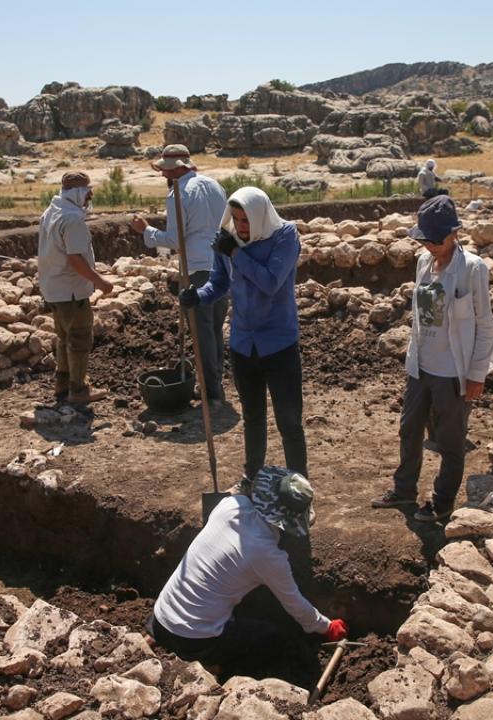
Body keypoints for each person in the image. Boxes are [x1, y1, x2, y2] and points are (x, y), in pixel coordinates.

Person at [147, 467, 347, 678]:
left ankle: (159, 638)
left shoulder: (231, 505)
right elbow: (295, 604)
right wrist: (327, 627)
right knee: (272, 638)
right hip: (194, 640)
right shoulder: (268, 555)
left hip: (159, 618)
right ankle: (213, 665)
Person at [371, 196, 493, 523]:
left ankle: (441, 504)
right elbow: (420, 316)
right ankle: (404, 490)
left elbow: (485, 325)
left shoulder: (472, 269)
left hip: (452, 372)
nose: (430, 246)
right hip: (421, 366)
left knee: (450, 442)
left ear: (454, 234)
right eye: (425, 239)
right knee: (409, 429)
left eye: (435, 240)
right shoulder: (423, 263)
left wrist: (477, 374)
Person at [181, 188, 306, 481]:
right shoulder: (227, 239)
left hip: (278, 345)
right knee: (252, 417)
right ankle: (252, 477)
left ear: (260, 215)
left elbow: (270, 282)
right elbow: (218, 283)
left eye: (246, 220)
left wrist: (236, 253)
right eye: (236, 219)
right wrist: (197, 297)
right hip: (243, 345)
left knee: (289, 423)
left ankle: (299, 487)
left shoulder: (284, 237)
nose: (241, 227)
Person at [129, 146, 230, 406]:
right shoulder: (215, 186)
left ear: (175, 168)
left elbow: (175, 240)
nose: (163, 173)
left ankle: (210, 391)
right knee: (215, 329)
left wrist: (146, 230)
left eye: (164, 169)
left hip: (197, 268)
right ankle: (215, 383)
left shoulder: (179, 193)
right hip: (222, 265)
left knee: (202, 332)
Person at [38, 171, 114, 404]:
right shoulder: (72, 219)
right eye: (88, 191)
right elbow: (75, 260)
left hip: (54, 287)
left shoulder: (51, 211)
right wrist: (100, 282)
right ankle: (78, 389)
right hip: (71, 290)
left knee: (64, 337)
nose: (90, 195)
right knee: (80, 338)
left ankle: (63, 383)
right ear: (78, 193)